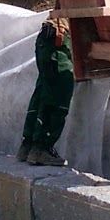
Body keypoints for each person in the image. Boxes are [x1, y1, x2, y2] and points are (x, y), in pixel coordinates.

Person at [18, 15, 74, 166]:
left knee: (43, 92)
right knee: (58, 96)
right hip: (58, 40)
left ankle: (28, 145)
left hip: (47, 37)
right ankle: (41, 148)